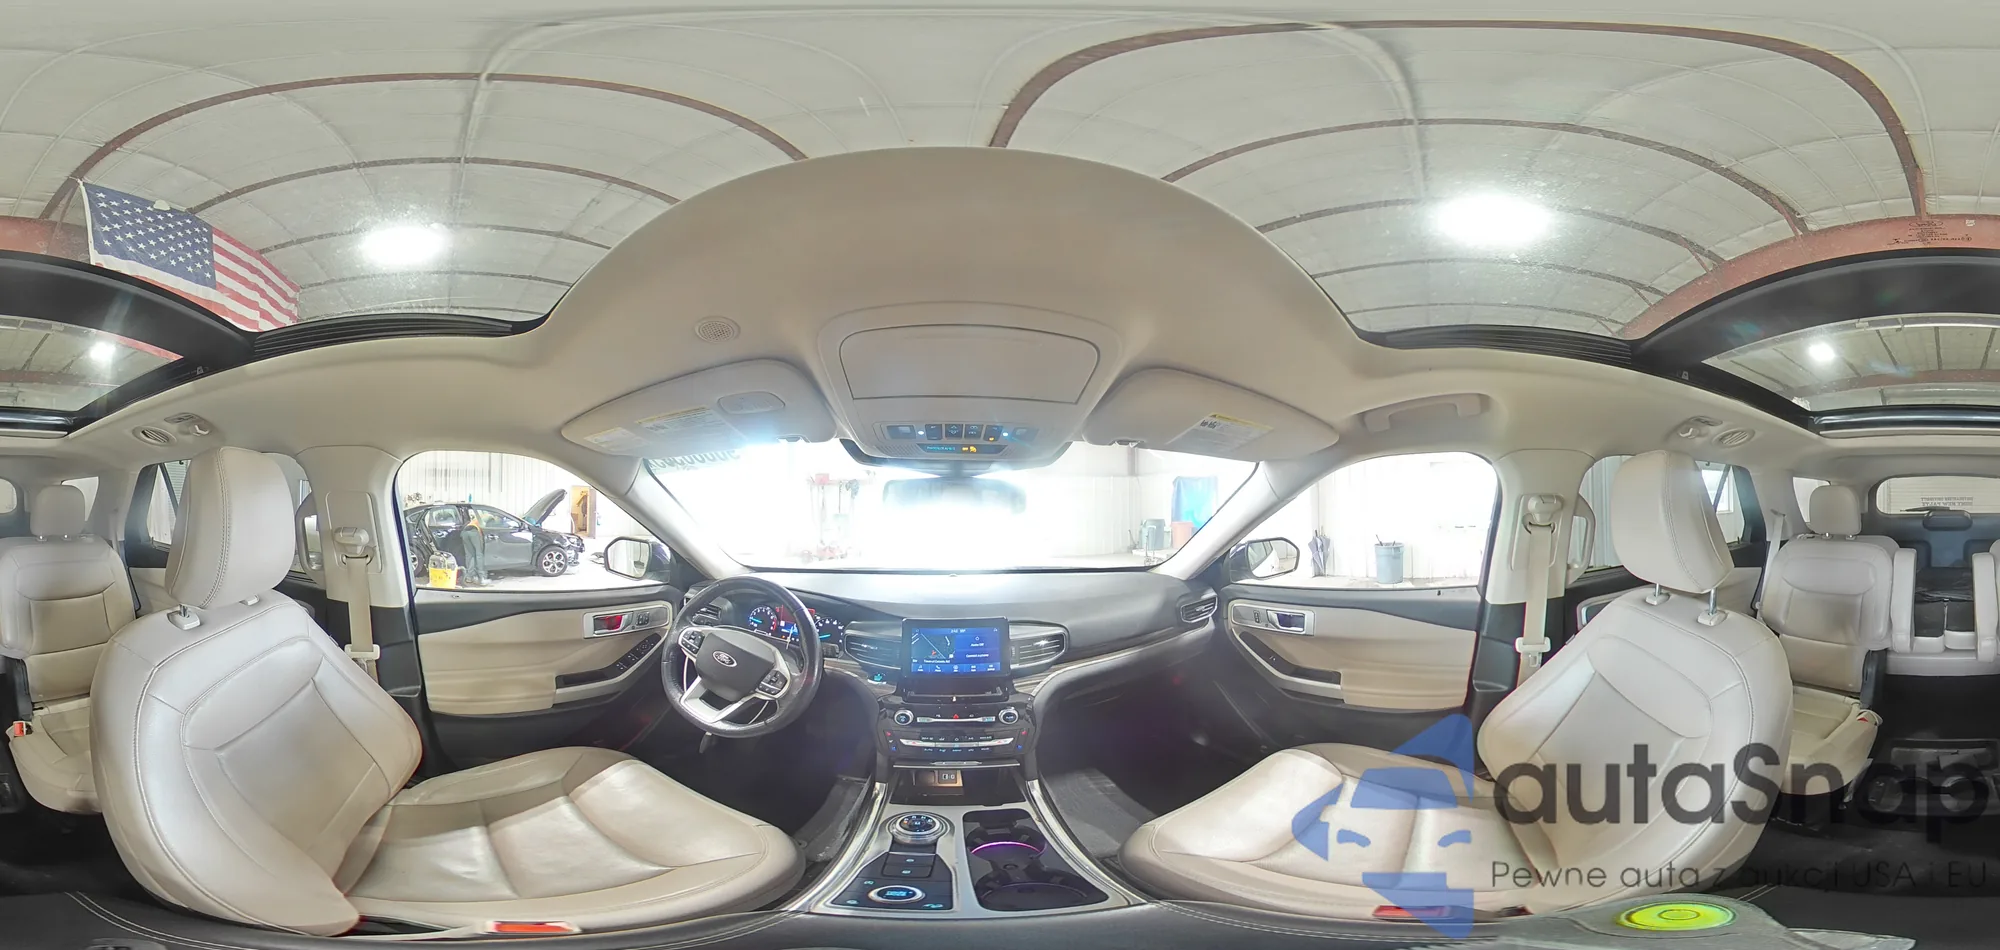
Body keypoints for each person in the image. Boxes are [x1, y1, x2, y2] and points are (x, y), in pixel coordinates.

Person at [456, 507, 488, 586]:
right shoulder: (490, 517)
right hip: (474, 532)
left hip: (465, 532)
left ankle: (469, 577)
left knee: (470, 555)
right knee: (479, 554)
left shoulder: (480, 516)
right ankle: (482, 578)